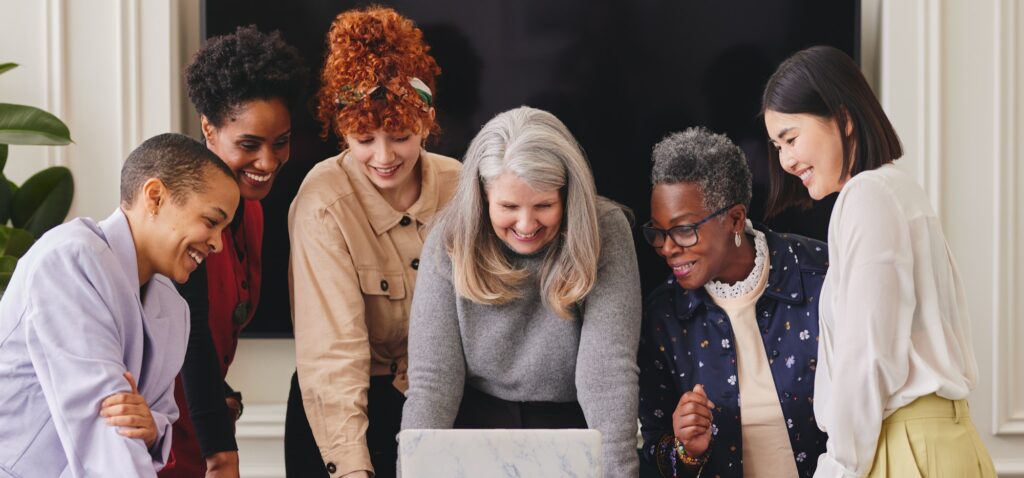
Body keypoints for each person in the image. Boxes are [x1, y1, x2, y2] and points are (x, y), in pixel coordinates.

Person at [761, 45, 996, 477]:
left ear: (844, 119)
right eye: (778, 145)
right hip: (940, 442)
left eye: (792, 138)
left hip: (904, 448)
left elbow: (867, 357)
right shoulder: (898, 191)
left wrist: (839, 467)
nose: (786, 160)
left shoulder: (865, 197)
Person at [401, 106, 642, 477]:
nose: (526, 225)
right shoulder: (448, 238)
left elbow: (607, 374)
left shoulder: (606, 231)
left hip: (573, 434)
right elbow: (434, 382)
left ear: (567, 193)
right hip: (474, 435)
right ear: (483, 196)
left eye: (544, 205)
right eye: (508, 207)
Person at [0, 133, 239, 477]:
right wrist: (144, 425)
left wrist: (154, 427)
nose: (217, 244)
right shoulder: (70, 259)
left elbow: (157, 421)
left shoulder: (174, 308)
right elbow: (106, 426)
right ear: (155, 196)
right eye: (211, 222)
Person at [286, 6, 460, 478]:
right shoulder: (322, 204)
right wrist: (351, 468)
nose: (383, 157)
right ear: (341, 130)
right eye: (364, 139)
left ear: (425, 122)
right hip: (344, 410)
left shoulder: (463, 189)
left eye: (400, 136)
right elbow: (333, 352)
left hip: (440, 401)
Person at [159, 26, 308, 478]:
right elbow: (191, 340)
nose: (268, 162)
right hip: (163, 444)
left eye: (280, 142)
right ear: (208, 127)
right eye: (249, 145)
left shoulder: (255, 214)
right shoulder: (182, 210)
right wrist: (221, 453)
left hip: (201, 430)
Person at [637, 127, 828, 477]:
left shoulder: (820, 275)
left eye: (683, 230)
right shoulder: (664, 316)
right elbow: (655, 454)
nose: (667, 248)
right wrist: (685, 447)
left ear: (735, 219)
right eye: (658, 232)